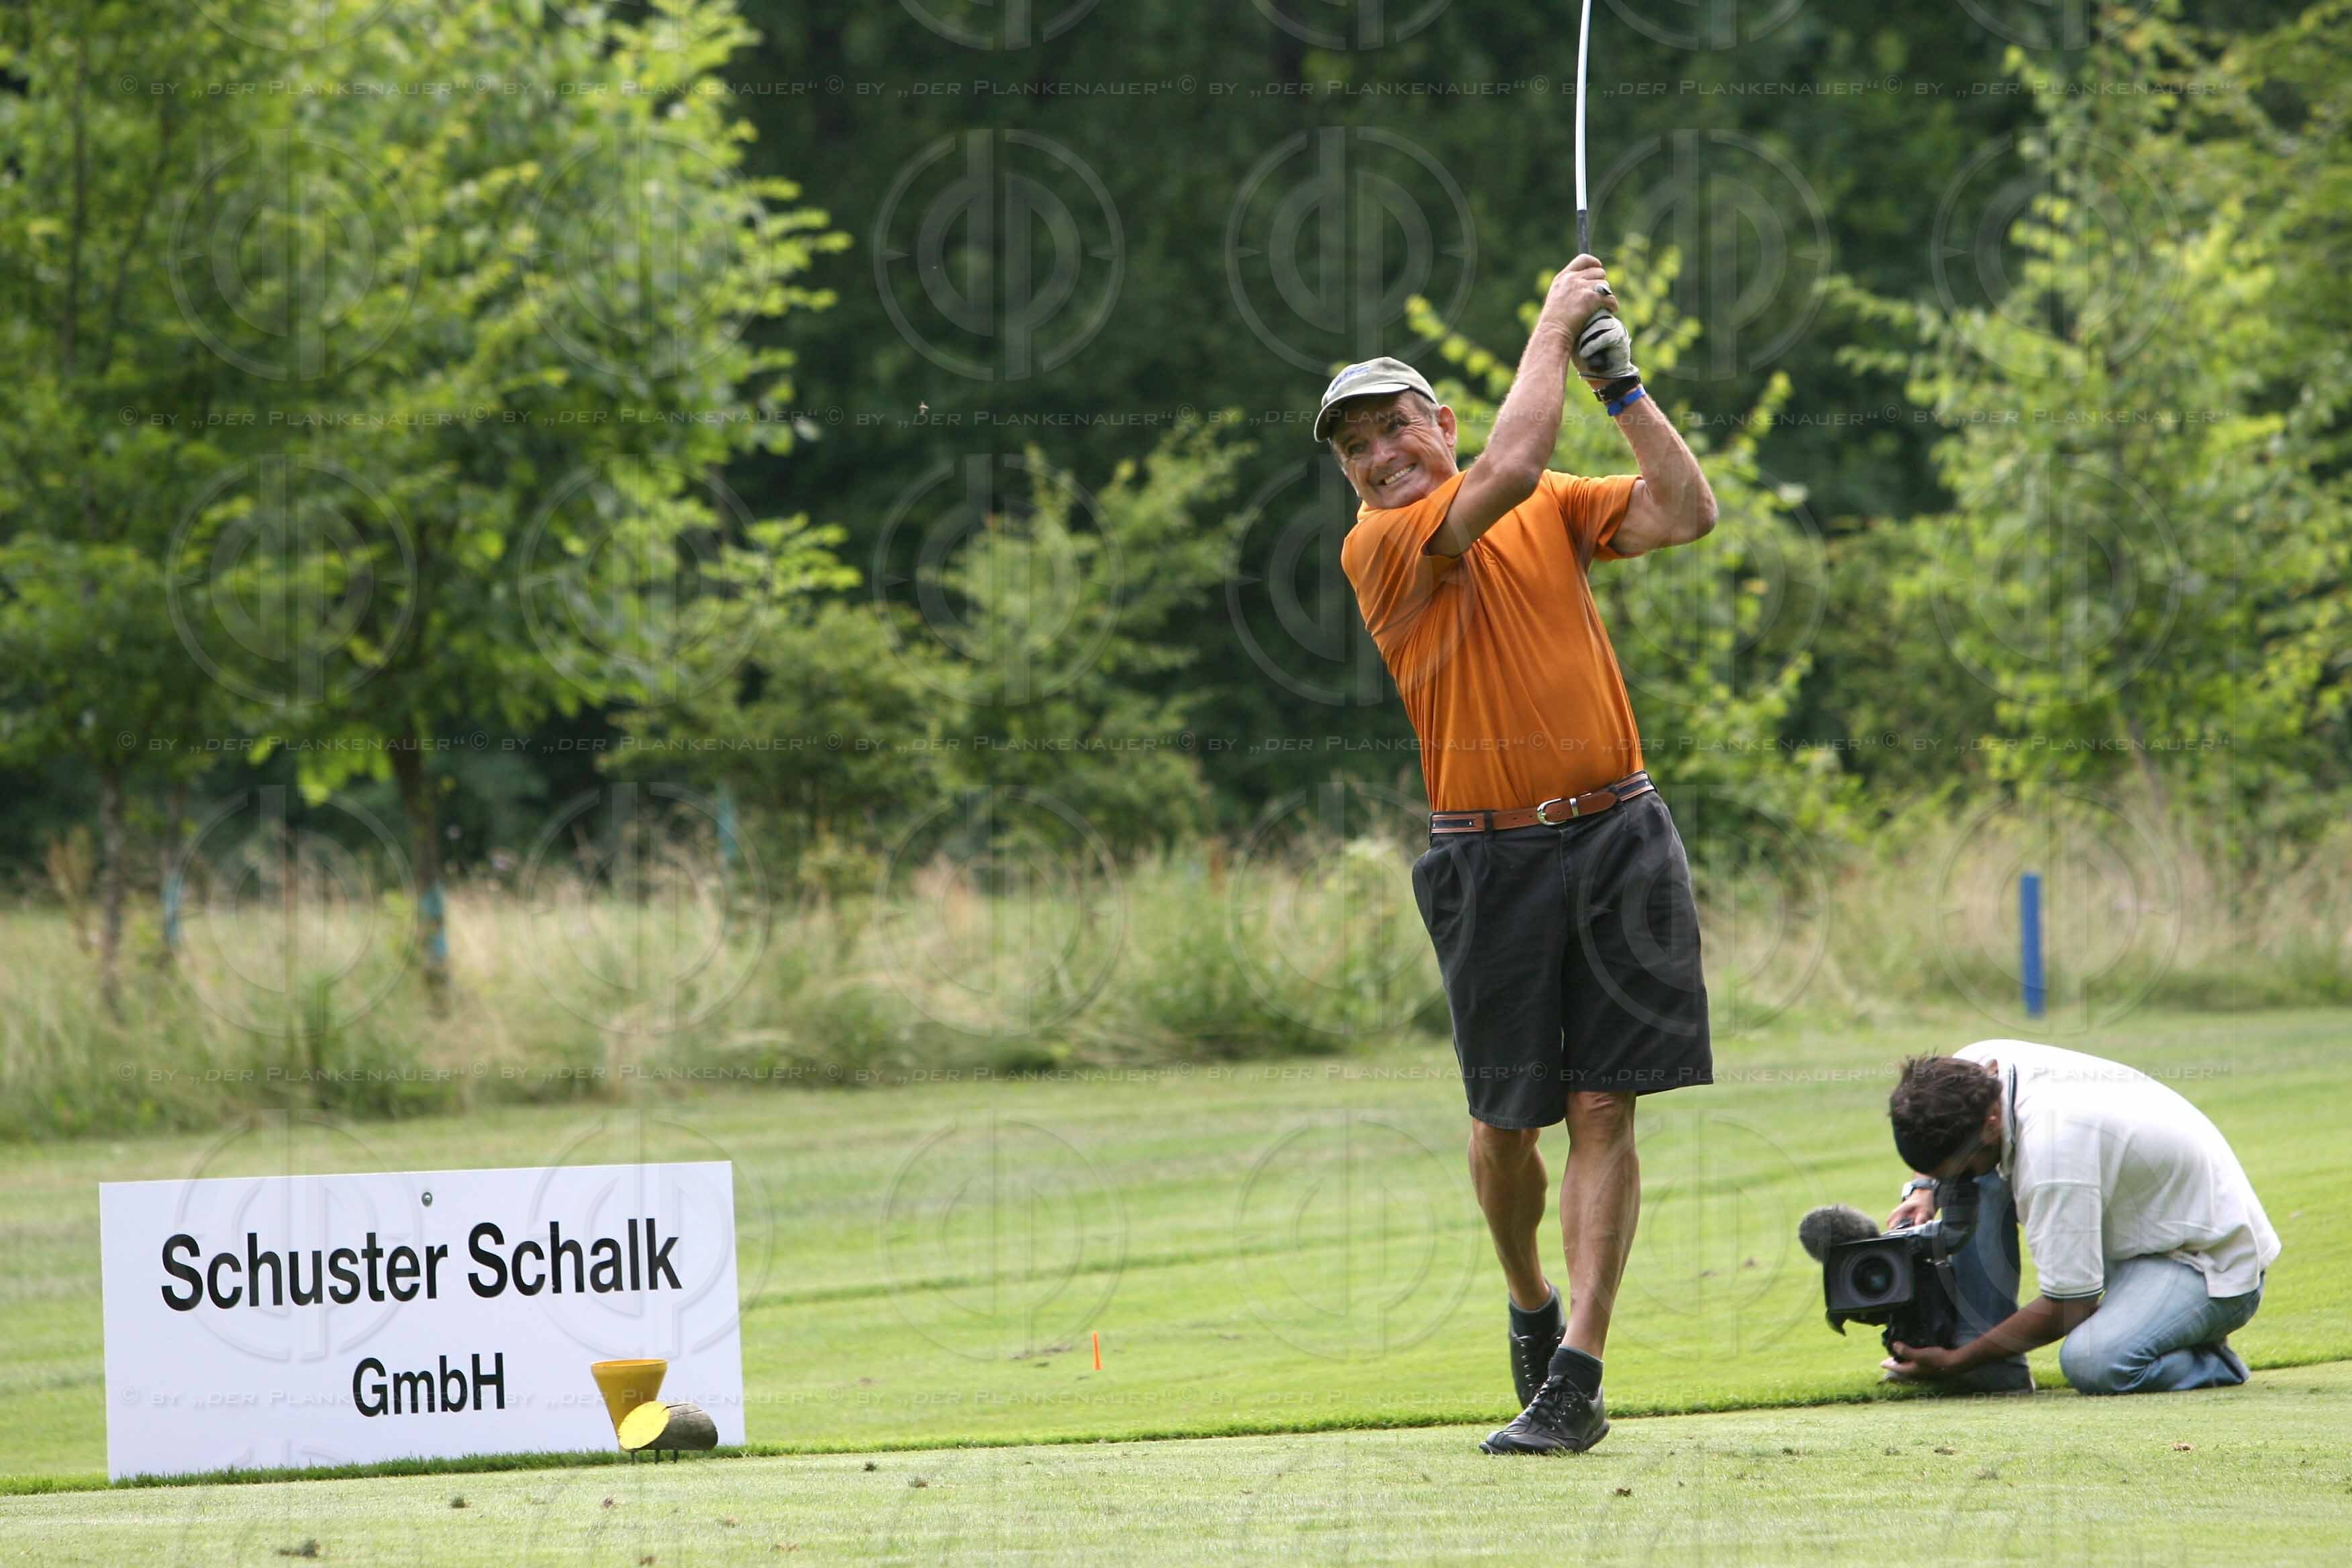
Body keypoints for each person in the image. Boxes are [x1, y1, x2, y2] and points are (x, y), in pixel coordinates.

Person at [1323, 251, 1718, 1455]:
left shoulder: (1544, 507)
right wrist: (1551, 319)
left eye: (1395, 428)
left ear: (1433, 419)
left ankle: (1578, 1375)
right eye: (1357, 448)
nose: (1382, 455)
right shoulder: (1383, 546)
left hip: (1618, 833)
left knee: (1605, 1104)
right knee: (1508, 1127)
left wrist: (1621, 386)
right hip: (1487, 861)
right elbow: (1507, 464)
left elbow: (1684, 511)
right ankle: (1528, 1302)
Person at [1880, 1039, 2280, 1395]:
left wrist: (1959, 1360)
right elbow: (1941, 1131)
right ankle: (1996, 1370)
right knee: (1977, 1180)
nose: (1954, 1181)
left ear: (1990, 1123)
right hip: (2141, 1225)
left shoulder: (2053, 1156)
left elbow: (2071, 1304)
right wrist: (1924, 1189)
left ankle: (2209, 1361)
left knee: (2094, 1362)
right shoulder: (1972, 1071)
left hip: (2206, 1261)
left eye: (1957, 1167)